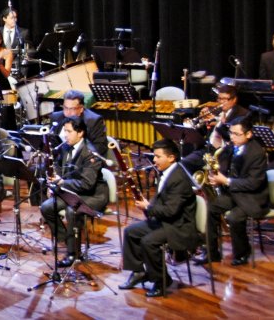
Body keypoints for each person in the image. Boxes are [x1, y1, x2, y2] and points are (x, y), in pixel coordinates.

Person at [119, 139, 200, 298]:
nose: (154, 160)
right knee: (131, 231)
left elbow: (171, 211)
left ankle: (162, 281)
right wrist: (148, 205)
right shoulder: (167, 172)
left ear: (171, 158)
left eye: (158, 156)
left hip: (179, 226)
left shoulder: (179, 178)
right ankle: (139, 272)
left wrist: (148, 207)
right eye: (154, 156)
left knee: (148, 242)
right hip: (166, 222)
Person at [39, 117, 108, 266]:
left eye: (69, 131)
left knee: (73, 211)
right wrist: (53, 179)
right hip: (72, 191)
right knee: (46, 207)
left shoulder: (90, 154)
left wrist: (62, 182)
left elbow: (87, 184)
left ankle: (73, 253)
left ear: (80, 133)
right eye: (65, 131)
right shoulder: (65, 147)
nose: (65, 135)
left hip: (93, 195)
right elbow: (58, 167)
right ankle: (67, 240)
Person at [202, 118, 268, 265]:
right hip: (234, 193)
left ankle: (242, 253)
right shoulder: (232, 146)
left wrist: (225, 181)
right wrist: (216, 175)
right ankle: (212, 252)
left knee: (234, 218)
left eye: (236, 134)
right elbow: (225, 167)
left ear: (249, 134)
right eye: (231, 133)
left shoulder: (257, 153)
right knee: (211, 208)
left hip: (252, 197)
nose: (232, 137)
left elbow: (253, 183)